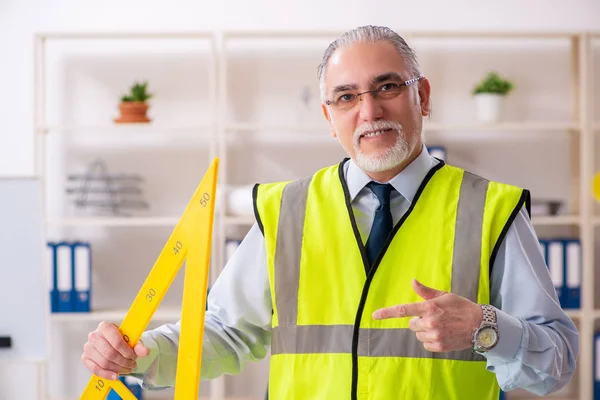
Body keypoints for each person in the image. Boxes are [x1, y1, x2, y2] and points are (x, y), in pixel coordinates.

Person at [81, 25, 579, 399]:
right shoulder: (284, 211)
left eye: (387, 87)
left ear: (421, 96)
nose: (369, 111)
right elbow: (226, 333)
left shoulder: (492, 209)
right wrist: (138, 352)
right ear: (329, 117)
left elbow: (559, 360)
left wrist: (485, 327)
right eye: (346, 97)